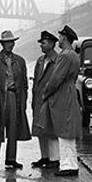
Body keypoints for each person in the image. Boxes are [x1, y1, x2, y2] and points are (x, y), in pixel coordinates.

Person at [0, 28, 31, 169]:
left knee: (14, 129)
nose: (10, 44)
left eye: (12, 42)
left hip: (14, 96)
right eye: (8, 42)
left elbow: (25, 84)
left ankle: (11, 159)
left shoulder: (20, 61)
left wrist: (23, 100)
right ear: (2, 44)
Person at [37, 24, 81, 177]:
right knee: (68, 129)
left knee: (63, 129)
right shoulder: (74, 55)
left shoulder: (64, 55)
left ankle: (68, 165)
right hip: (70, 91)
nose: (59, 40)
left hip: (62, 94)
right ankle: (70, 163)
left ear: (64, 38)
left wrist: (46, 92)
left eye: (61, 37)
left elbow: (56, 78)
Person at [31, 29, 60, 168]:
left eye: (43, 43)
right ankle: (44, 157)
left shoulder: (58, 60)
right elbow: (36, 81)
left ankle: (55, 159)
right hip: (38, 99)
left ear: (52, 44)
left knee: (52, 130)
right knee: (40, 129)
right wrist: (33, 98)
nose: (41, 45)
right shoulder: (40, 60)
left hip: (51, 99)